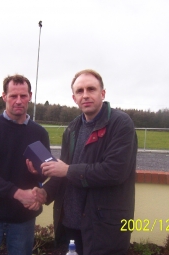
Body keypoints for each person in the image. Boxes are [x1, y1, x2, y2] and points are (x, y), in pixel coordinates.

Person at [27, 69, 138, 255]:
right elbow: (62, 171)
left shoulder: (121, 124)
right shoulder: (72, 128)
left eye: (91, 89)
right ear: (74, 98)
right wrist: (45, 192)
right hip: (70, 224)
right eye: (79, 91)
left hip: (103, 229)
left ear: (102, 93)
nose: (85, 95)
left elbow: (114, 171)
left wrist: (67, 170)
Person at [0, 74, 49, 255]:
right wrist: (18, 193)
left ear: (30, 95)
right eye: (13, 96)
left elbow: (44, 173)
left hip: (23, 218)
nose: (18, 101)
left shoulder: (40, 133)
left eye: (23, 96)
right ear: (4, 96)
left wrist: (38, 177)